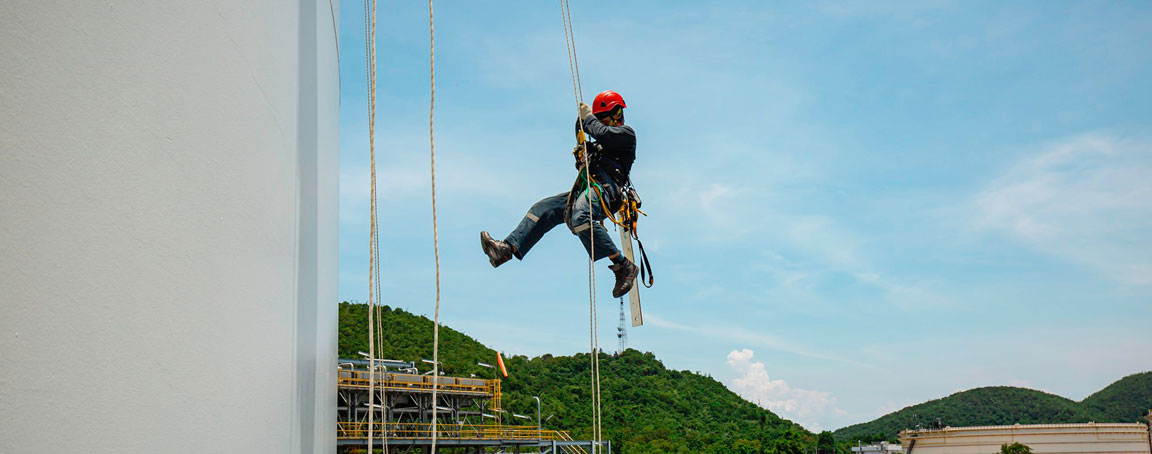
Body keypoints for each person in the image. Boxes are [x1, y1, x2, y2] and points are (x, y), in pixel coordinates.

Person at [480, 90, 639, 298]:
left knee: (580, 216)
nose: (619, 117)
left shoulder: (626, 136)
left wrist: (588, 118)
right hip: (589, 189)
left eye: (618, 112)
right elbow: (589, 130)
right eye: (614, 113)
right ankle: (507, 249)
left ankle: (623, 266)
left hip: (608, 192)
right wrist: (582, 138)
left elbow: (601, 132)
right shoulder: (599, 144)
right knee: (544, 208)